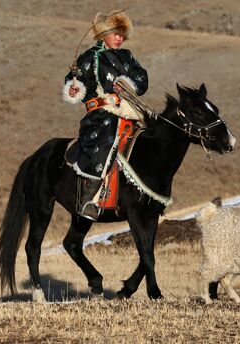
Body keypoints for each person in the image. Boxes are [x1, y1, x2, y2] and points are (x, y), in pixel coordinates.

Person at [62, 10, 148, 221]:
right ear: (104, 34)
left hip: (127, 110)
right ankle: (88, 200)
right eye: (116, 34)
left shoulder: (127, 57)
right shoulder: (89, 57)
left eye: (122, 35)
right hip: (100, 116)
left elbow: (142, 79)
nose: (120, 38)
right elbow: (74, 80)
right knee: (106, 139)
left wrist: (128, 85)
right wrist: (74, 89)